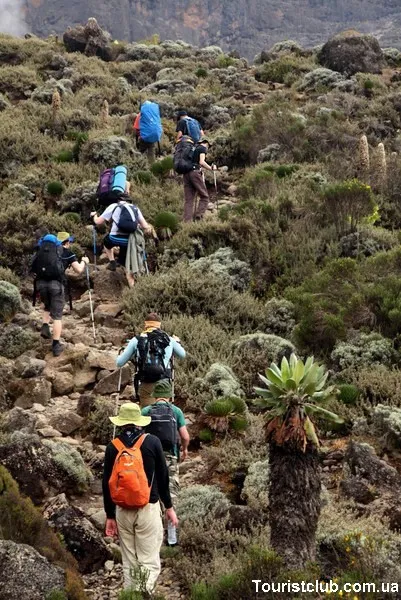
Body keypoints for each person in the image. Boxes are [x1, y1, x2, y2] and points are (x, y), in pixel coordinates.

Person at [103, 402, 178, 594]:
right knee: (149, 561)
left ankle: (131, 595)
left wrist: (110, 516)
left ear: (120, 423)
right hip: (147, 508)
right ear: (139, 422)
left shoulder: (113, 447)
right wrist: (169, 507)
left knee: (129, 562)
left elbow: (107, 483)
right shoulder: (152, 442)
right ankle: (143, 593)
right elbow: (163, 477)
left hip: (122, 511)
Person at [142, 379, 190, 546]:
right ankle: (172, 537)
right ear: (169, 395)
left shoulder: (146, 411)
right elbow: (185, 436)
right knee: (171, 492)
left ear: (155, 395)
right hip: (170, 457)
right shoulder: (176, 411)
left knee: (151, 492)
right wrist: (184, 450)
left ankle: (152, 534)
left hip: (149, 458)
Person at [32, 232, 89, 357]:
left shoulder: (44, 250)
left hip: (41, 284)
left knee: (46, 305)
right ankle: (56, 345)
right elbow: (79, 270)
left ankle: (45, 325)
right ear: (67, 242)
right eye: (70, 242)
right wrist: (84, 261)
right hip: (56, 285)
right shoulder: (67, 253)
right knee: (57, 316)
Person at [90, 182, 153, 288]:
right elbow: (145, 226)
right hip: (130, 241)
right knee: (128, 263)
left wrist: (94, 216)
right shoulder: (135, 208)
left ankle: (112, 262)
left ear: (118, 199)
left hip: (115, 238)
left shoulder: (113, 206)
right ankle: (133, 286)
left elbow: (98, 222)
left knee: (106, 242)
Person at [116, 312, 186, 407]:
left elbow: (120, 363)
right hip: (164, 383)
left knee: (147, 415)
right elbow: (182, 354)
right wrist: (177, 342)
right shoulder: (169, 339)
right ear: (159, 325)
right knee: (162, 412)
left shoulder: (136, 340)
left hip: (146, 382)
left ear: (145, 325)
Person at [182, 137, 217, 223]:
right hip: (195, 173)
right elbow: (201, 162)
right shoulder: (202, 148)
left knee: (189, 200)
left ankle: (187, 223)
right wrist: (211, 168)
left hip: (186, 173)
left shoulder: (193, 148)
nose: (208, 148)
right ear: (206, 143)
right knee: (204, 197)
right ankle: (198, 217)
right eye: (209, 145)